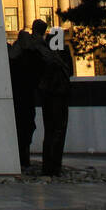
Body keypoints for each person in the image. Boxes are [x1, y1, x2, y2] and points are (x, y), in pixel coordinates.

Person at [30, 19, 73, 177]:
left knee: (50, 131)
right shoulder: (61, 50)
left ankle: (48, 166)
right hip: (59, 94)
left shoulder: (42, 50)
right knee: (58, 130)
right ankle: (54, 166)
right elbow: (70, 71)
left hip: (47, 94)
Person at [8, 31, 40, 173]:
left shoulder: (12, 55)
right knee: (25, 129)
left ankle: (21, 158)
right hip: (24, 98)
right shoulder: (28, 55)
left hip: (18, 99)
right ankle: (23, 159)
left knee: (22, 130)